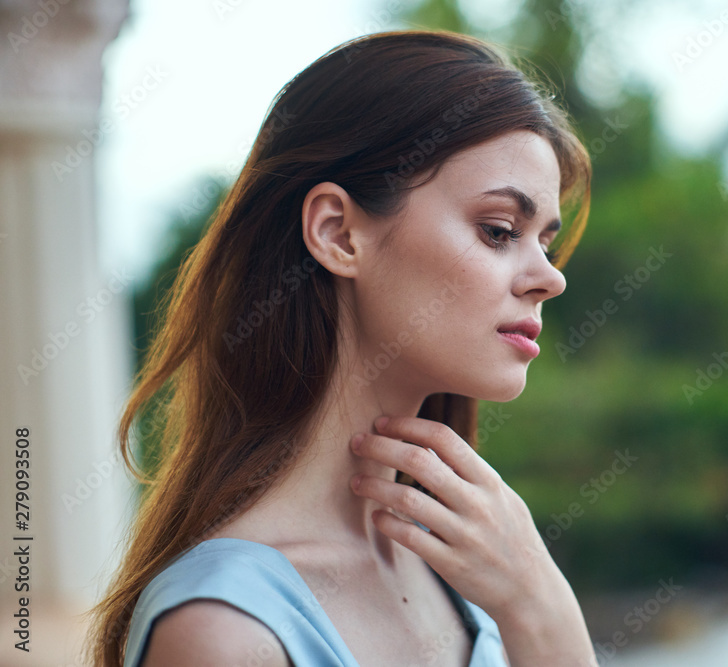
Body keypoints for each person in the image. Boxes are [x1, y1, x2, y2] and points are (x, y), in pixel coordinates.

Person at [86, 29, 595, 667]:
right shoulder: (225, 632)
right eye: (499, 230)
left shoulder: (479, 574)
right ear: (338, 233)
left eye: (544, 240)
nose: (550, 276)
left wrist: (539, 606)